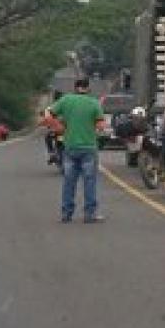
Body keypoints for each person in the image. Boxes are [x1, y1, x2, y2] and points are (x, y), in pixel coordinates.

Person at [52, 78, 105, 223]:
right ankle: (89, 214)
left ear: (75, 88)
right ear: (87, 89)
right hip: (88, 148)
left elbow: (48, 113)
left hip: (70, 147)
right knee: (89, 182)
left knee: (69, 181)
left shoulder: (66, 100)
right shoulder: (94, 103)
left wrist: (58, 127)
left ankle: (66, 213)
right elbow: (101, 126)